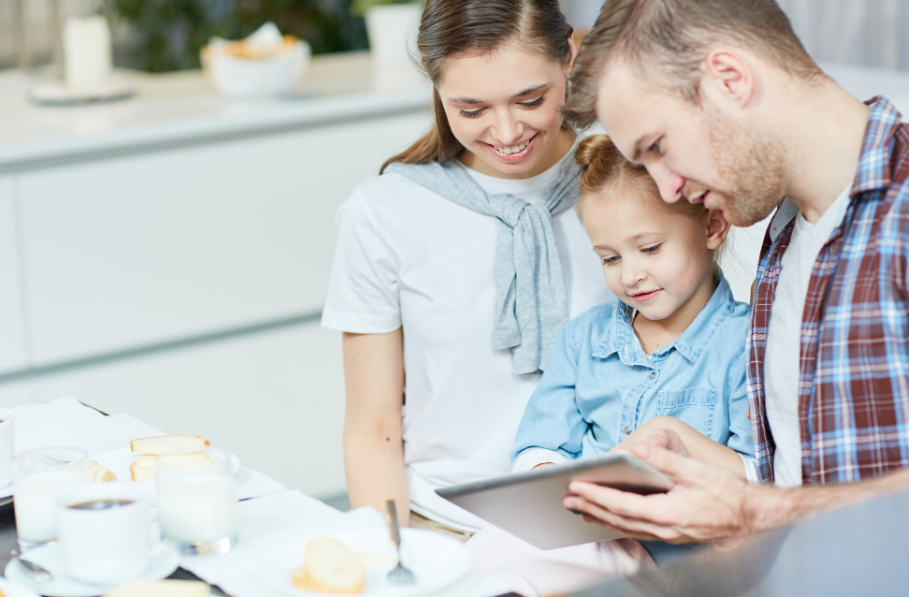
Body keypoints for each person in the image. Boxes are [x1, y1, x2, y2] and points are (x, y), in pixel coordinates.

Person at [553, 0, 909, 543]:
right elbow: (806, 474)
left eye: (658, 147)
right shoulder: (786, 235)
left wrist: (751, 513)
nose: (667, 187)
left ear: (730, 79)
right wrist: (696, 461)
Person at [321, 0, 614, 540]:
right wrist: (397, 558)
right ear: (437, 89)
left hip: (613, 524)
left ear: (569, 58)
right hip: (447, 530)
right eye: (472, 109)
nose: (507, 131)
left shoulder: (629, 182)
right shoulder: (383, 212)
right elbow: (372, 430)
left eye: (531, 99)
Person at [465, 134, 756, 596]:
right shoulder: (584, 338)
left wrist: (673, 437)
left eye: (650, 248)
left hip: (680, 559)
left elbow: (759, 476)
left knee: (522, 574)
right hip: (587, 540)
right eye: (610, 258)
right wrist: (556, 493)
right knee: (484, 553)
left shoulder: (745, 342)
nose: (630, 274)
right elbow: (540, 447)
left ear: (712, 227)